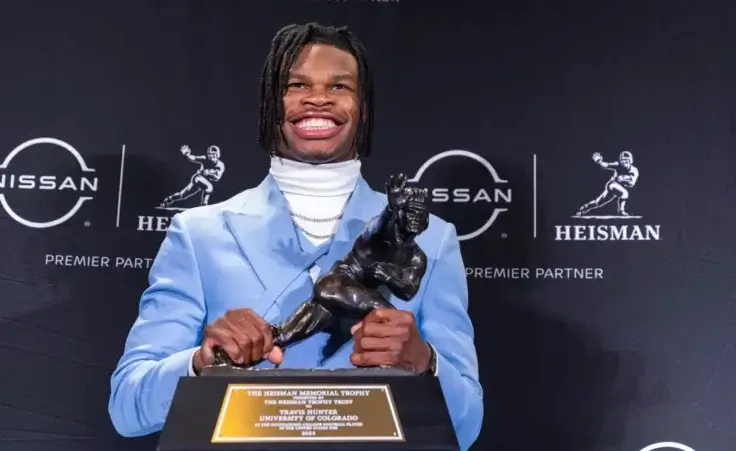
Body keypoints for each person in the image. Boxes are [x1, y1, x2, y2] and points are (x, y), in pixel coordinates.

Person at [108, 23, 483, 451]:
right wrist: (200, 362)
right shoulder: (198, 234)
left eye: (339, 86)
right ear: (272, 101)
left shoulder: (434, 238)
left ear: (362, 105)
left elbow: (467, 424)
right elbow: (127, 407)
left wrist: (424, 361)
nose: (318, 98)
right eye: (296, 84)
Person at [576, 151, 638, 217]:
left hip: (618, 188)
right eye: (622, 160)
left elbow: (632, 184)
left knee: (598, 202)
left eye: (626, 159)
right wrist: (599, 162)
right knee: (625, 193)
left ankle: (584, 208)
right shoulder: (618, 165)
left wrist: (624, 179)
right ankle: (621, 211)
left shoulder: (634, 170)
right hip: (612, 185)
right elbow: (607, 165)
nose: (624, 161)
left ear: (630, 160)